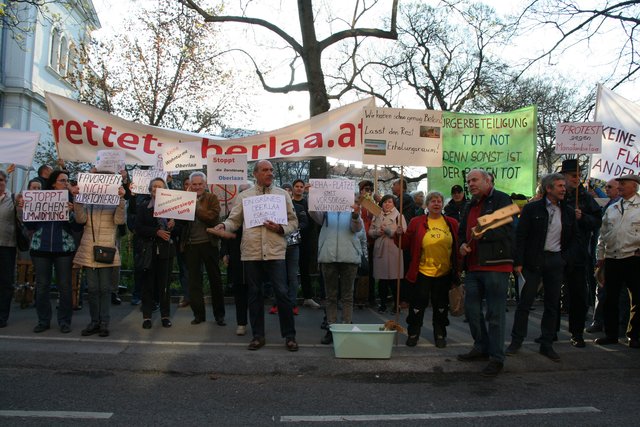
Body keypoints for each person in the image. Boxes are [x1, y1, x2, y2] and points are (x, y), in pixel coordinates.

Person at [212, 160, 299, 351]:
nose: (270, 173)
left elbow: (294, 222)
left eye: (271, 170)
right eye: (265, 170)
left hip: (275, 251)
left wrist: (281, 228)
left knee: (282, 293)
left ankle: (290, 336)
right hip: (251, 252)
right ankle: (258, 336)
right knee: (254, 294)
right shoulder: (245, 196)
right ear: (256, 174)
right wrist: (223, 226)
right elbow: (234, 220)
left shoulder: (282, 195)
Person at [505, 173, 577, 362]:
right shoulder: (531, 209)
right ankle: (516, 340)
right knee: (524, 304)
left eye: (564, 185)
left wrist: (564, 259)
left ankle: (547, 344)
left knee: (552, 305)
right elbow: (520, 237)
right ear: (549, 188)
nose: (564, 188)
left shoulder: (568, 211)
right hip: (532, 262)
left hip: (555, 262)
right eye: (560, 185)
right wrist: (518, 262)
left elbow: (573, 239)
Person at [457, 169, 515, 377]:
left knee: (495, 314)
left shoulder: (501, 199)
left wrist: (483, 234)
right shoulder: (470, 204)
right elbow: (462, 231)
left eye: (474, 180)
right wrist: (462, 245)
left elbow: (507, 229)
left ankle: (496, 357)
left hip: (495, 266)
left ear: (487, 180)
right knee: (471, 311)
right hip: (473, 267)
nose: (471, 184)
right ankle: (481, 346)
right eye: (468, 181)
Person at [399, 191, 459, 348]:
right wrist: (398, 235)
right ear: (427, 204)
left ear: (442, 204)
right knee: (418, 305)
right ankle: (413, 333)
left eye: (439, 201)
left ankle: (440, 334)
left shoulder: (452, 223)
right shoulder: (416, 222)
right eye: (433, 201)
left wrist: (458, 270)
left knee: (441, 306)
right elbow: (404, 244)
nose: (437, 203)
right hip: (422, 272)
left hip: (444, 272)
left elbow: (457, 247)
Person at [21, 170, 77, 334]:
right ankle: (43, 320)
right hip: (41, 248)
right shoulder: (40, 198)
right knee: (43, 286)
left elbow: (77, 227)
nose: (65, 184)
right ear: (53, 183)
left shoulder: (72, 201)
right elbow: (30, 227)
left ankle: (64, 321)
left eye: (67, 181)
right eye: (62, 181)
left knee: (65, 286)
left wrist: (72, 213)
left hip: (64, 249)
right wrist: (26, 210)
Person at [73, 172, 126, 337]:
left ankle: (104, 322)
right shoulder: (88, 202)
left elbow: (120, 221)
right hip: (89, 249)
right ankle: (94, 322)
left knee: (104, 288)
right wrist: (77, 199)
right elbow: (80, 220)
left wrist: (121, 200)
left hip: (106, 250)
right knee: (93, 289)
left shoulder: (114, 201)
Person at [310, 197, 365, 345]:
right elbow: (315, 215)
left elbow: (358, 229)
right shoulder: (327, 209)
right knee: (330, 296)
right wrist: (312, 196)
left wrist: (355, 214)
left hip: (349, 257)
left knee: (347, 296)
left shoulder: (354, 209)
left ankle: (346, 327)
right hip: (329, 257)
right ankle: (331, 328)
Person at [595, 174, 640, 348]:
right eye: (619, 183)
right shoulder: (612, 208)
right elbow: (603, 234)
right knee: (610, 299)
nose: (619, 186)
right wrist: (600, 257)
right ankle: (611, 334)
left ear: (634, 187)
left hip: (634, 259)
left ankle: (634, 335)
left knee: (637, 298)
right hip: (612, 258)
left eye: (623, 183)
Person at [560, 158, 602, 347]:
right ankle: (550, 332)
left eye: (579, 175)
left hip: (578, 254)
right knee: (554, 295)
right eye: (573, 175)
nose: (577, 179)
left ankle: (576, 333)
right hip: (557, 252)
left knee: (578, 295)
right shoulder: (555, 196)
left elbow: (597, 222)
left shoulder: (585, 198)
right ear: (564, 176)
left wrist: (582, 217)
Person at [180, 171, 225, 326]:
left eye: (200, 184)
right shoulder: (184, 199)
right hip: (191, 245)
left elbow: (211, 217)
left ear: (205, 185)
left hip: (209, 243)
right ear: (190, 185)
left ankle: (220, 315)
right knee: (194, 282)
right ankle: (198, 315)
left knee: (215, 280)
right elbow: (180, 222)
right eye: (194, 184)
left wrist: (194, 206)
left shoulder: (212, 198)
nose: (197, 187)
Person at [135, 177, 178, 329]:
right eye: (154, 186)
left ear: (165, 188)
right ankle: (147, 316)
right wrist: (156, 232)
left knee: (164, 285)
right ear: (150, 189)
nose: (156, 189)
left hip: (166, 251)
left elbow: (179, 230)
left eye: (160, 186)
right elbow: (138, 227)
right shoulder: (144, 206)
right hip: (149, 250)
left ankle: (165, 315)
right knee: (148, 284)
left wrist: (174, 223)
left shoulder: (173, 207)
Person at [587, 178, 625, 333]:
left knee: (620, 292)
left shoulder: (625, 207)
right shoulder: (609, 206)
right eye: (606, 187)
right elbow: (602, 233)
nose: (607, 189)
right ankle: (599, 322)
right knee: (601, 289)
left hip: (621, 255)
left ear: (618, 189)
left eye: (610, 187)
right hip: (606, 253)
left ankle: (620, 325)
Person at [221, 183, 251, 335]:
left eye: (247, 191)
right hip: (237, 256)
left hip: (254, 255)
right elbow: (226, 235)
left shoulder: (260, 210)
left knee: (255, 291)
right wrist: (224, 253)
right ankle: (241, 323)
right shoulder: (232, 213)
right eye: (242, 192)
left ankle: (256, 324)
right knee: (239, 289)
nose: (244, 195)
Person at [369, 194, 407, 313]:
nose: (387, 204)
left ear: (394, 204)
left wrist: (388, 231)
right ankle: (383, 304)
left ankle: (397, 305)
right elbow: (370, 231)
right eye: (385, 202)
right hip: (380, 249)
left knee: (395, 280)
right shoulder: (377, 215)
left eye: (390, 202)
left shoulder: (399, 216)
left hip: (394, 249)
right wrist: (377, 232)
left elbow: (403, 232)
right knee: (382, 280)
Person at [291, 179, 320, 308]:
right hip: (290, 242)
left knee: (305, 269)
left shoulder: (308, 203)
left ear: (304, 188)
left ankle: (307, 297)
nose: (298, 188)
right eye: (296, 186)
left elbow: (314, 219)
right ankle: (287, 298)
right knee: (289, 271)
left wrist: (312, 194)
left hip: (305, 240)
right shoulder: (288, 203)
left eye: (301, 186)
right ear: (292, 188)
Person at [0, 170, 18, 328]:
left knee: (6, 282)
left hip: (7, 246)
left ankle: (2, 316)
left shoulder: (13, 198)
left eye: (1, 180)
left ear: (5, 181)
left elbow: (21, 218)